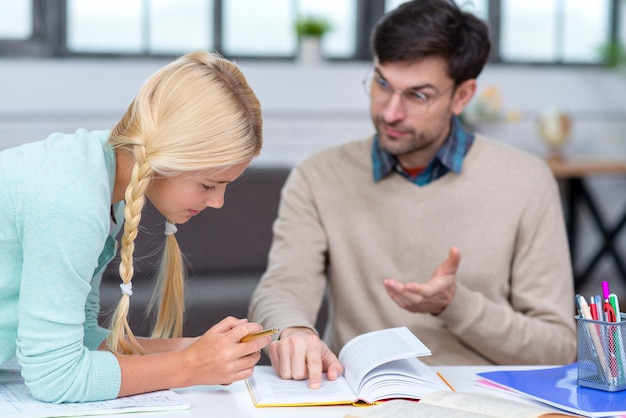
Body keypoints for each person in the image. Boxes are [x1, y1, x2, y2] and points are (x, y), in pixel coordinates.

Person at [249, 0, 576, 390]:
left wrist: (455, 305)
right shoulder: (319, 175)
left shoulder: (527, 181)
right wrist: (294, 331)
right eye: (382, 84)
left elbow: (559, 348)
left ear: (462, 96)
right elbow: (281, 287)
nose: (390, 112)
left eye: (417, 96)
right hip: (360, 397)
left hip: (486, 400)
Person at [0, 50, 270, 403]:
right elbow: (56, 376)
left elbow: (78, 336)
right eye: (208, 184)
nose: (218, 202)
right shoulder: (71, 199)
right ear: (167, 155)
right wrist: (190, 366)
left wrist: (196, 350)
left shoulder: (103, 182)